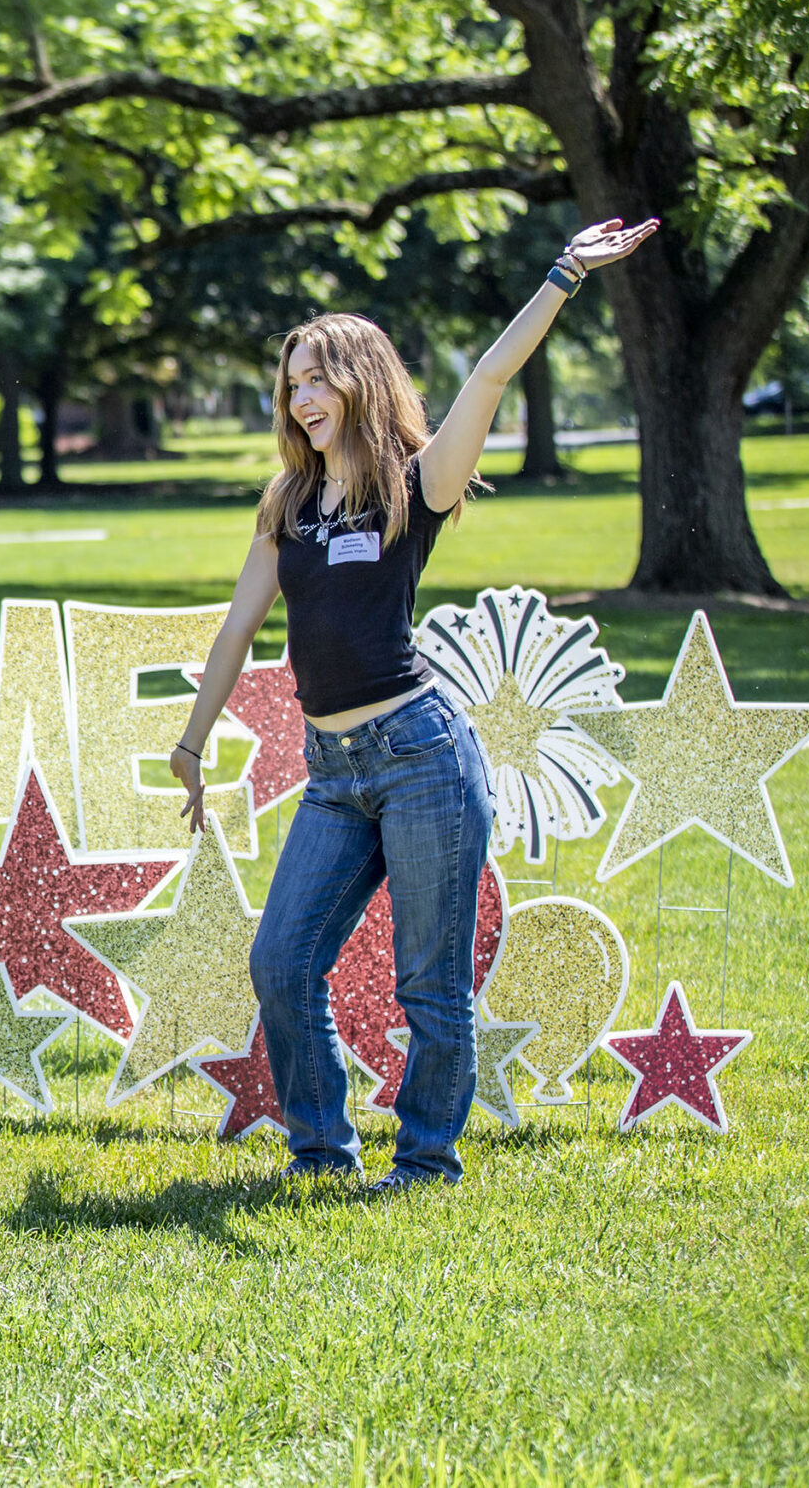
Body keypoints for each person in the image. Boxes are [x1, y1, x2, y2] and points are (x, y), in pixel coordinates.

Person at [171, 217, 659, 1190]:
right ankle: (321, 1153)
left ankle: (426, 1163)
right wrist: (189, 743)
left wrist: (563, 272)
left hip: (423, 757)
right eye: (292, 384)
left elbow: (485, 379)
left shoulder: (412, 483)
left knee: (429, 986)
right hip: (333, 775)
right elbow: (237, 629)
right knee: (280, 963)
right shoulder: (286, 504)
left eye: (318, 377)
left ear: (361, 379)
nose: (303, 398)